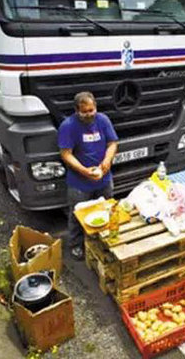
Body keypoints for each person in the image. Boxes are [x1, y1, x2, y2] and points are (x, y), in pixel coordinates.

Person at [58, 91, 119, 260]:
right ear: (76, 110)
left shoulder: (103, 120)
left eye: (91, 110)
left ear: (95, 107)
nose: (89, 114)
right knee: (78, 215)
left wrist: (107, 160)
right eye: (84, 112)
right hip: (79, 182)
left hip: (104, 178)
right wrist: (84, 171)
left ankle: (103, 242)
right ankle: (76, 245)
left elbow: (112, 143)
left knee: (106, 211)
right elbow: (66, 154)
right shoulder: (68, 126)